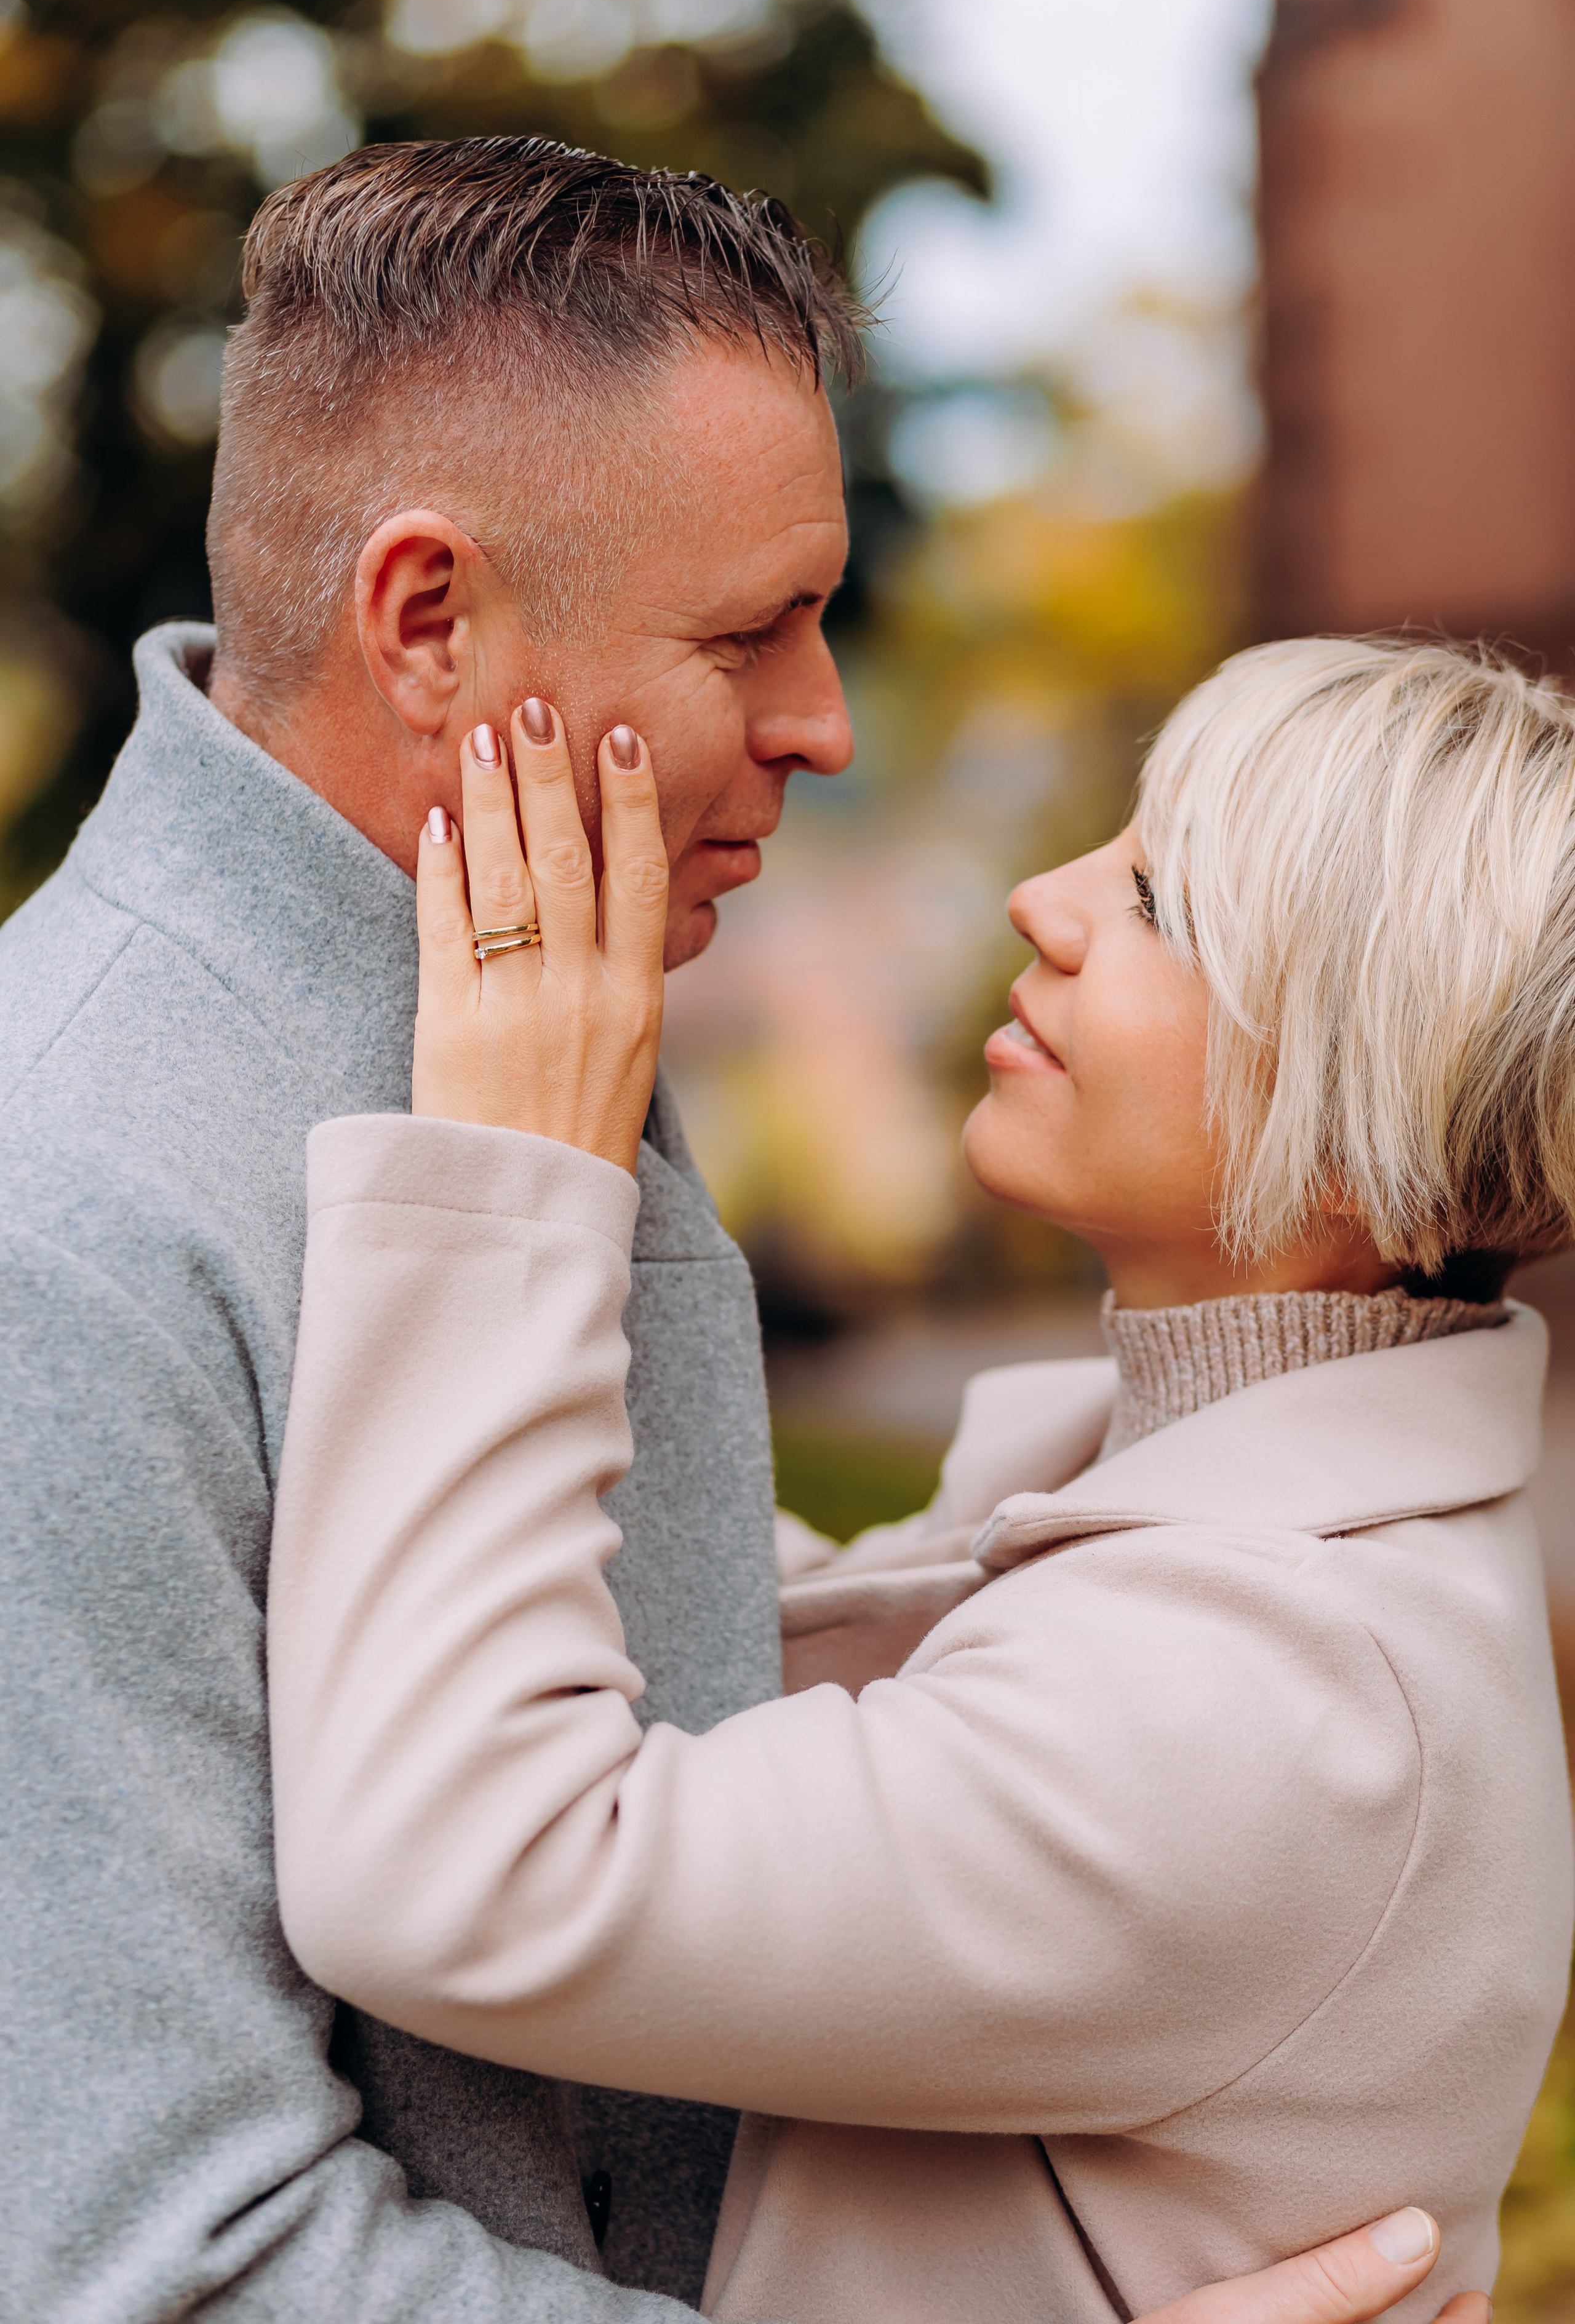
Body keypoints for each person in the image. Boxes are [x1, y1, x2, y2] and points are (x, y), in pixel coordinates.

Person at [0, 125, 1498, 2324]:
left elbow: (655, 1652)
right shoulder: (73, 1224)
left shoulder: (526, 989)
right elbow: (158, 2264)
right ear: (431, 625)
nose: (826, 722)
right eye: (753, 630)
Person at [266, 637, 1573, 2324]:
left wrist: (512, 1180)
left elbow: (463, 1868)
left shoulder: (1270, 1697)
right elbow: (707, 1625)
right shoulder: (1241, 1553)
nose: (1046, 899)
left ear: (1360, 1101)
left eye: (1169, 905)